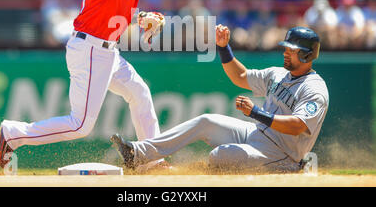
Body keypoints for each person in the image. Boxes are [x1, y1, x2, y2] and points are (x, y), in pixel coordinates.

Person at [0, 0, 165, 169]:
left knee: (139, 93)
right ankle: (14, 133)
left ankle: (150, 161)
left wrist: (144, 20)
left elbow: (117, 16)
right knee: (80, 125)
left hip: (107, 51)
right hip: (91, 50)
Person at [111, 25, 329, 173]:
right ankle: (137, 154)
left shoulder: (314, 89)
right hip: (255, 134)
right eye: (286, 48)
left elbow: (298, 126)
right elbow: (240, 76)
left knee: (220, 156)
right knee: (206, 121)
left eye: (292, 49)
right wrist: (224, 48)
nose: (286, 52)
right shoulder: (278, 74)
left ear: (307, 55)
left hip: (282, 153)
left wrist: (256, 113)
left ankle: (290, 171)